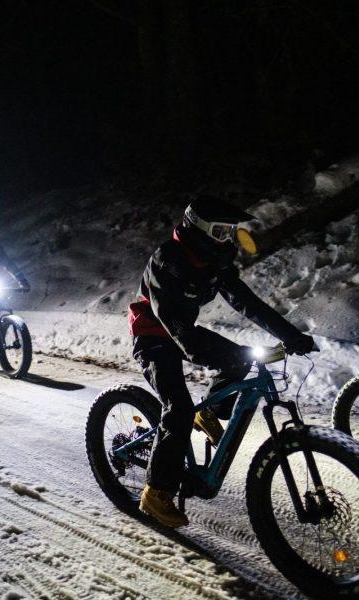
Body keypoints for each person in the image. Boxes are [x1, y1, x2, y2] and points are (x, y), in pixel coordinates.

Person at [129, 196, 315, 528]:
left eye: (230, 231)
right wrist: (194, 349)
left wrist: (290, 335)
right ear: (198, 228)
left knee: (240, 362)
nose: (226, 238)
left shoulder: (214, 262)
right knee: (178, 408)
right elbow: (168, 315)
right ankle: (156, 492)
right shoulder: (167, 259)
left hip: (184, 332)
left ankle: (209, 413)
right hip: (153, 335)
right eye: (219, 231)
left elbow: (248, 303)